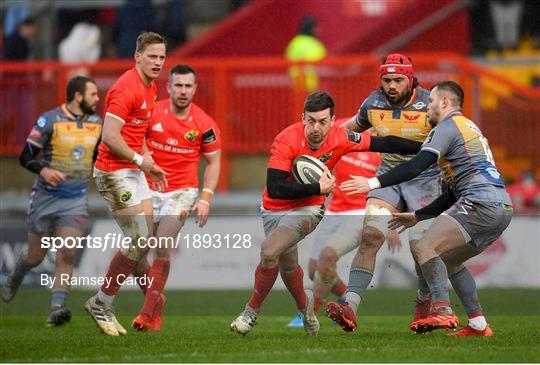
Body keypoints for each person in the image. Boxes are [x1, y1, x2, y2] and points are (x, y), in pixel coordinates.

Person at [229, 91, 424, 336]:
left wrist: (427, 147)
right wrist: (318, 187)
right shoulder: (286, 139)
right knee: (288, 266)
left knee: (269, 251)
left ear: (333, 121)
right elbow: (276, 188)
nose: (316, 128)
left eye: (322, 122)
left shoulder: (341, 137)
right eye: (311, 121)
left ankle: (250, 312)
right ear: (303, 118)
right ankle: (306, 312)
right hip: (273, 207)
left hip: (309, 208)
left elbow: (385, 143)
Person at [339, 80, 513, 336]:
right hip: (501, 206)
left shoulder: (446, 126)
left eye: (431, 102)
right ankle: (478, 324)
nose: (427, 107)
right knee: (450, 261)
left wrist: (372, 182)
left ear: (444, 102)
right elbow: (452, 192)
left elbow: (416, 165)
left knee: (423, 242)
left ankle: (442, 310)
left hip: (479, 203)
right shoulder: (468, 127)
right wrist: (418, 215)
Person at [325, 53, 445, 332]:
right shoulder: (373, 103)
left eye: (398, 80)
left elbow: (452, 138)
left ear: (411, 79)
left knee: (420, 248)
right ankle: (350, 308)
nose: (391, 85)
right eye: (387, 79)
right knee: (370, 236)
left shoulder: (429, 103)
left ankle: (425, 302)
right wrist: (322, 151)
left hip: (425, 179)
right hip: (388, 180)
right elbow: (347, 131)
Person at [85, 31, 168, 337]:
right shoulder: (126, 88)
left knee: (142, 242)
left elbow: (138, 134)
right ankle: (102, 302)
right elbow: (108, 135)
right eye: (152, 56)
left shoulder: (151, 87)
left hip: (134, 171)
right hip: (113, 172)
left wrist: (148, 161)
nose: (158, 62)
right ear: (137, 56)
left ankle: (149, 304)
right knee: (139, 239)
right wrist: (139, 159)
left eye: (161, 57)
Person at [1, 76, 102, 327]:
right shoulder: (50, 120)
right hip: (46, 198)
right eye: (93, 94)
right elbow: (25, 157)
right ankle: (15, 278)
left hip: (75, 200)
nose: (97, 99)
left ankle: (57, 309)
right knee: (35, 256)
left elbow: (99, 158)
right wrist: (44, 170)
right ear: (78, 96)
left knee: (66, 253)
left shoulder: (97, 123)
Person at [131, 64, 221, 331]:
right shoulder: (152, 112)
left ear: (194, 89)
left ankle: (148, 314)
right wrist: (146, 156)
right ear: (168, 87)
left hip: (181, 192)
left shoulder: (204, 124)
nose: (183, 91)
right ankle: (156, 299)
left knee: (162, 243)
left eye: (188, 86)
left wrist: (205, 199)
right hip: (148, 188)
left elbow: (214, 162)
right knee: (136, 252)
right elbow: (137, 138)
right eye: (178, 85)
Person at [287, 126, 401, 327]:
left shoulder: (384, 152)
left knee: (327, 256)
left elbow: (394, 186)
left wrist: (390, 221)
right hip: (333, 211)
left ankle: (309, 315)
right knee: (315, 270)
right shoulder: (347, 135)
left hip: (360, 212)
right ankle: (343, 298)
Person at [285, 15, 327, 92]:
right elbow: (322, 65)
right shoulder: (313, 44)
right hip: (311, 86)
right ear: (312, 29)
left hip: (296, 86)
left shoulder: (294, 43)